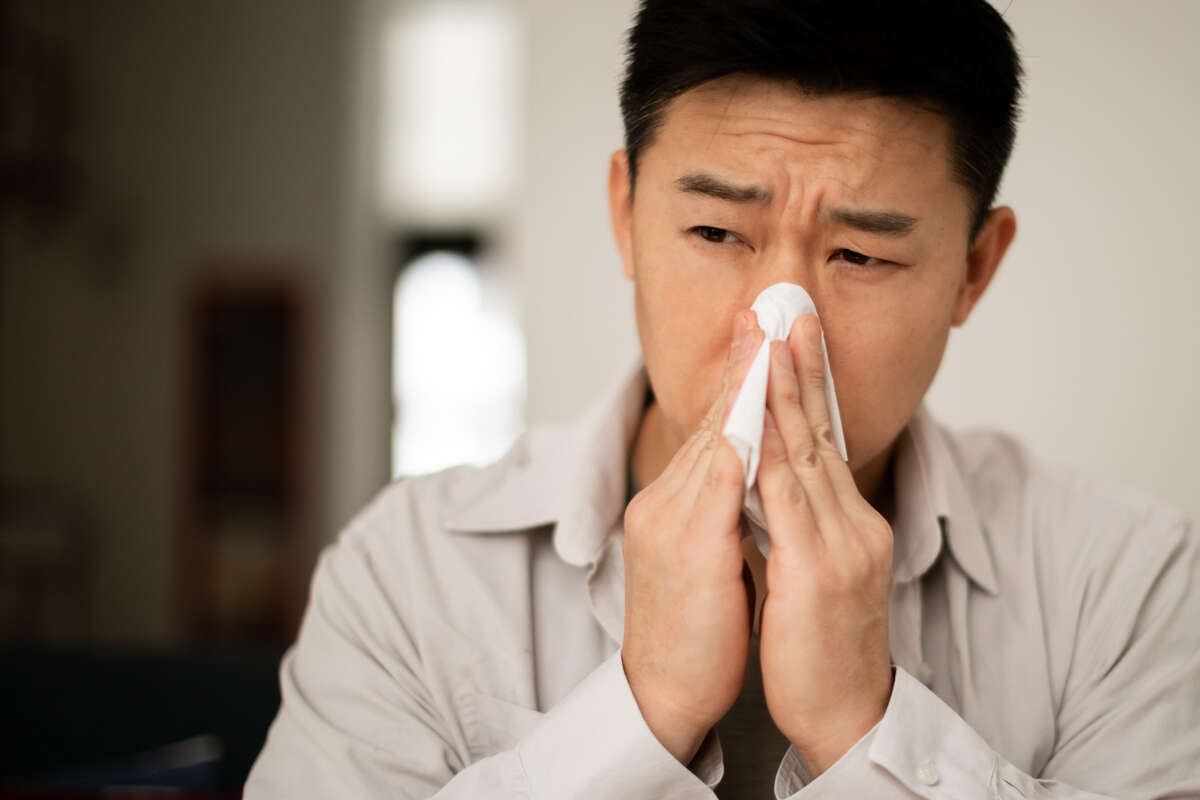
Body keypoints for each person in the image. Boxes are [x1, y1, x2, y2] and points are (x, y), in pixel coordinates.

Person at [245, 1, 1200, 797]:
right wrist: (642, 707)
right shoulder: (408, 575)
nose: (780, 328)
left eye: (861, 255)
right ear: (625, 217)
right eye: (714, 232)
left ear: (973, 271)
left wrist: (864, 730)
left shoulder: (1121, 586)